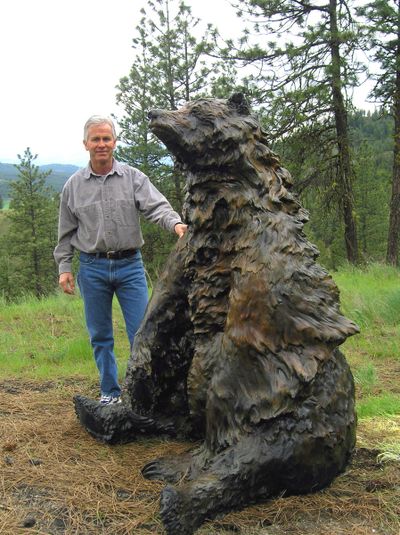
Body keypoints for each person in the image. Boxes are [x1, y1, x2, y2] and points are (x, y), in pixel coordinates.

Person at [54, 115, 187, 405]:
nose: (101, 144)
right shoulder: (73, 187)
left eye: (106, 138)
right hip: (92, 268)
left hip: (130, 267)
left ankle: (143, 393)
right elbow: (65, 233)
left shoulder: (133, 178)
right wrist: (64, 268)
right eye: (95, 139)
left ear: (114, 142)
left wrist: (176, 225)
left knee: (142, 332)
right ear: (86, 144)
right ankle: (110, 393)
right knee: (100, 335)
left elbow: (157, 207)